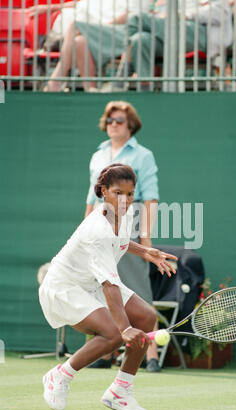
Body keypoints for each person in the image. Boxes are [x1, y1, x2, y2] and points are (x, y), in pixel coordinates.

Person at [39, 163, 177, 410]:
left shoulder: (118, 217)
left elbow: (121, 242)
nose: (125, 200)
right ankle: (60, 375)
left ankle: (120, 392)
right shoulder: (97, 231)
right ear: (103, 191)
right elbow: (110, 285)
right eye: (118, 193)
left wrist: (146, 251)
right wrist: (125, 329)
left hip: (90, 282)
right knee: (113, 333)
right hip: (65, 287)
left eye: (130, 194)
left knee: (147, 317)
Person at [85, 100, 161, 372]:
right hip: (99, 222)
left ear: (131, 126)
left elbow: (150, 198)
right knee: (103, 287)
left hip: (130, 219)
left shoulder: (143, 155)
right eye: (109, 120)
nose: (112, 125)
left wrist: (146, 237)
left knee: (137, 287)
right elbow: (91, 196)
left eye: (118, 121)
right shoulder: (98, 155)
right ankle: (105, 352)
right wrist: (86, 229)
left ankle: (150, 354)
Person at [103, 0, 232, 91]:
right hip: (171, 34)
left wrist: (185, 15)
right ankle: (145, 88)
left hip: (201, 34)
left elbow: (222, 12)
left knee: (136, 18)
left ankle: (120, 77)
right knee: (140, 40)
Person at [35, 0, 151, 91]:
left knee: (75, 25)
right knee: (79, 42)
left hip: (127, 32)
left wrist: (95, 28)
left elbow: (132, 16)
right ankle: (91, 91)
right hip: (104, 33)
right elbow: (83, 4)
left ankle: (56, 80)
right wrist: (49, 8)